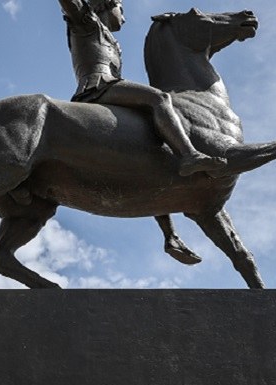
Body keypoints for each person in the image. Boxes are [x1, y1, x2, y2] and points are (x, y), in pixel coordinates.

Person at [59, 0, 218, 264]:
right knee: (160, 100)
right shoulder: (87, 24)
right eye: (121, 7)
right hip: (96, 91)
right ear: (107, 5)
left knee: (154, 147)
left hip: (109, 91)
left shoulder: (109, 37)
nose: (124, 16)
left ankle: (171, 237)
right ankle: (189, 155)